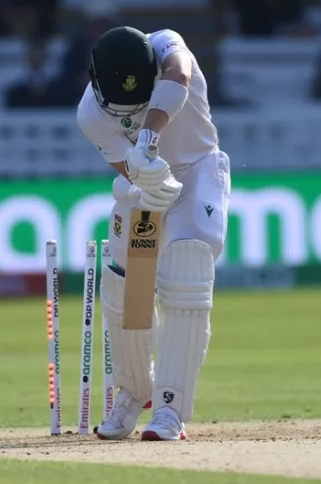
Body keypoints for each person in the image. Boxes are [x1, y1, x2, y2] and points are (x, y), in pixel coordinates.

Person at [77, 26, 229, 443]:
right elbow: (126, 168)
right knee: (127, 283)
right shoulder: (90, 114)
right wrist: (140, 177)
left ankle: (169, 409)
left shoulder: (168, 48)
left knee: (186, 269)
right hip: (146, 184)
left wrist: (147, 137)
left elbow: (179, 74)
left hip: (197, 172)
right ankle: (133, 391)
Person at [4, 35, 59, 108]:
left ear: (46, 54)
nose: (36, 55)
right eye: (32, 51)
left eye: (39, 51)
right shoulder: (14, 90)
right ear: (26, 54)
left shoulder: (57, 87)